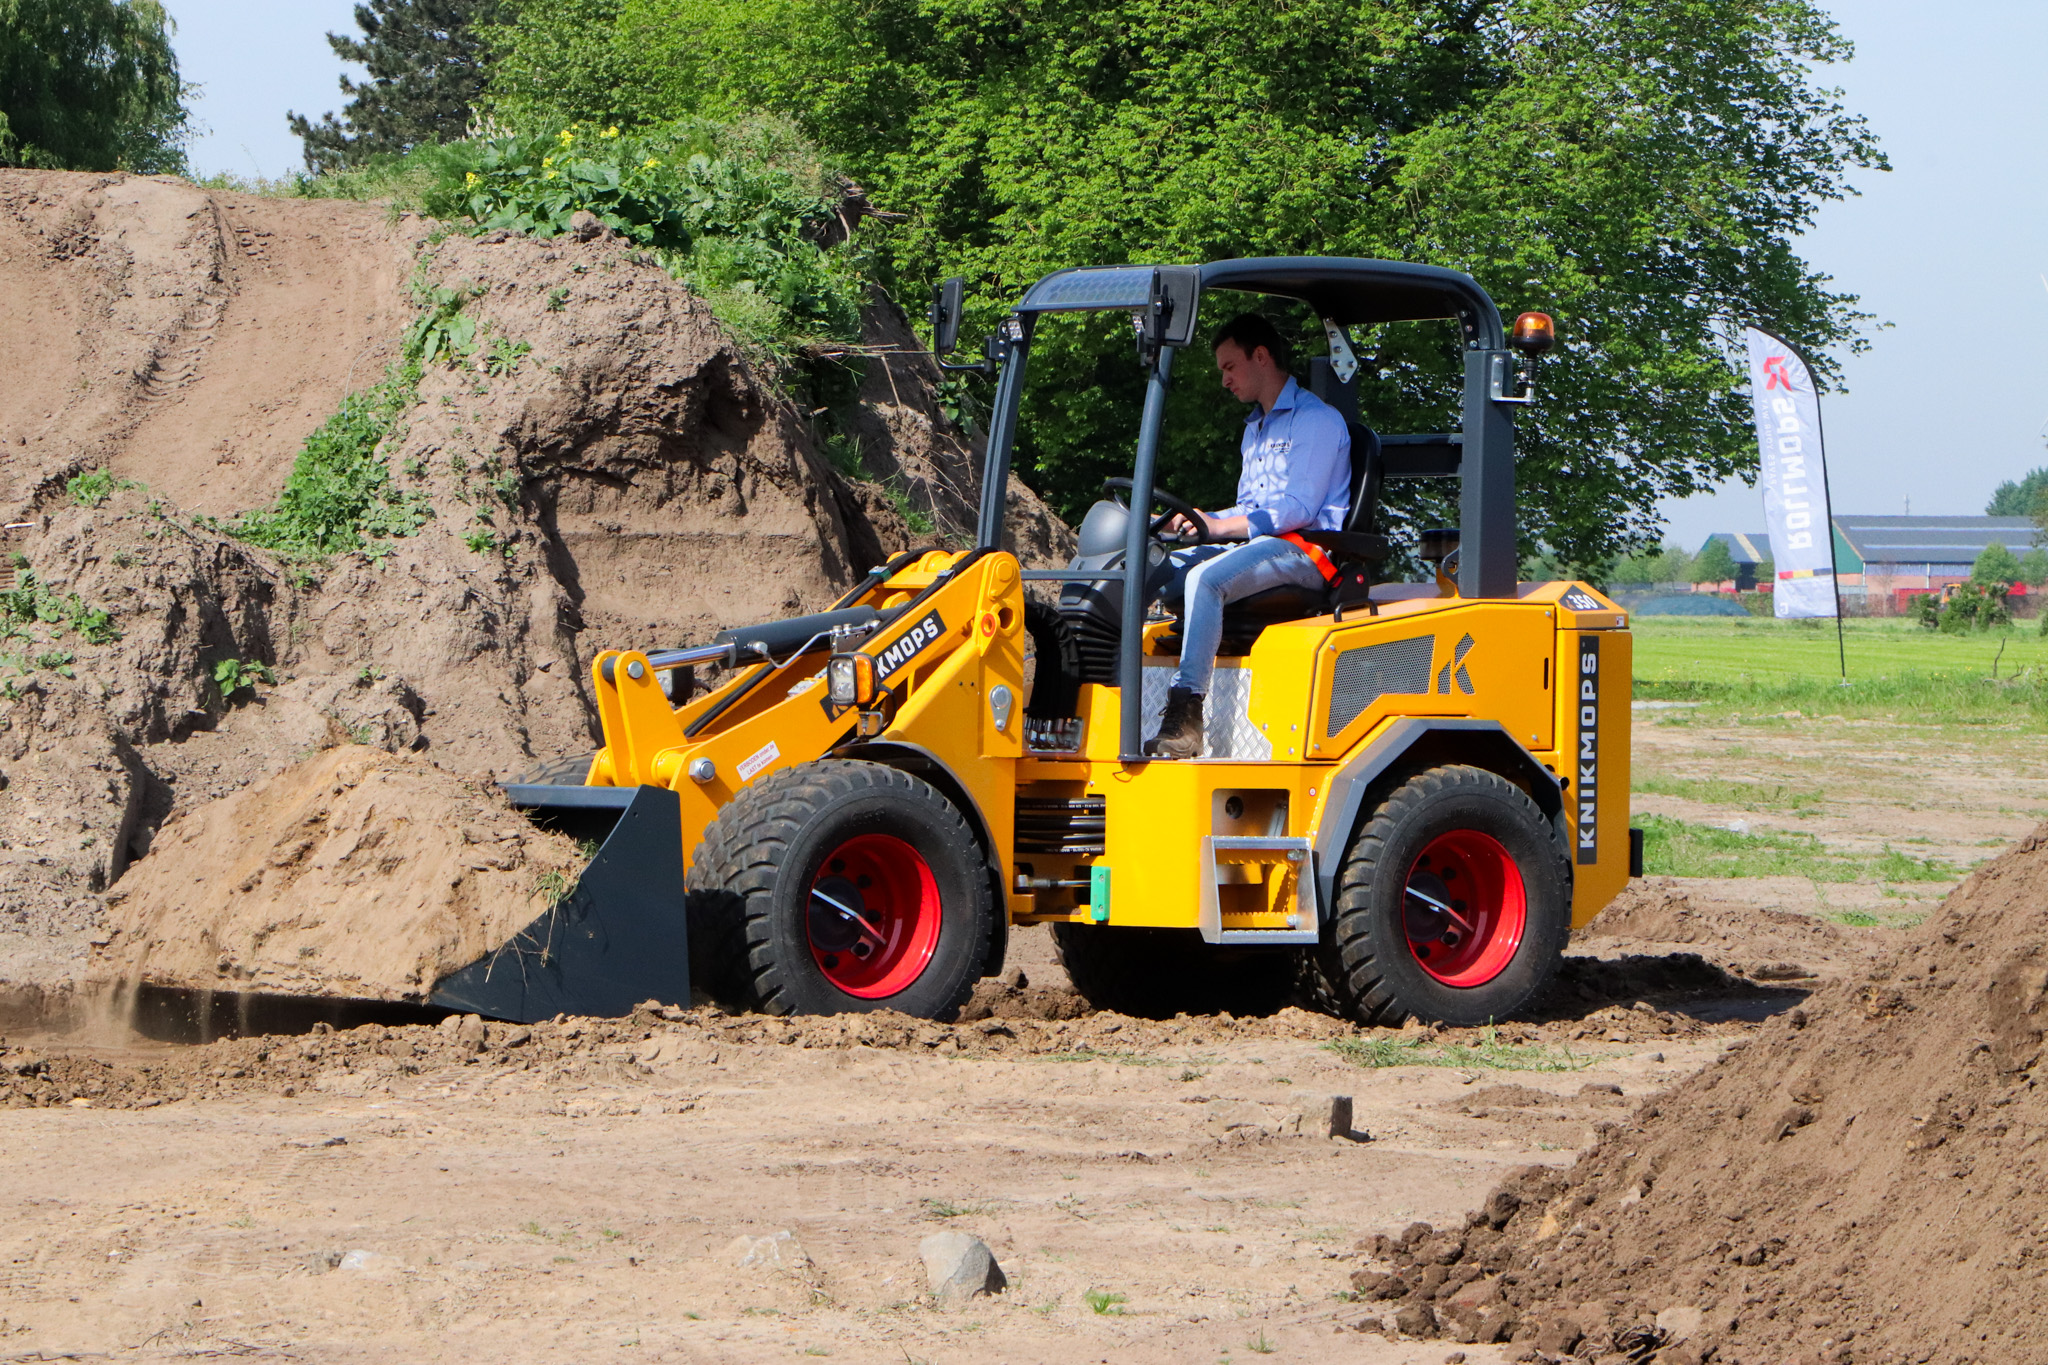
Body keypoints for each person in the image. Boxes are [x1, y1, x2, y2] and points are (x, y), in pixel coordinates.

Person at [1147, 313, 1352, 759]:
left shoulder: (1316, 420)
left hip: (1306, 552)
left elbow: (1298, 509)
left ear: (1260, 356)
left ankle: (1185, 714)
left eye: (1229, 367)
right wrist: (1203, 518)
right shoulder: (1255, 429)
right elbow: (1249, 508)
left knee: (1206, 578)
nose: (1224, 380)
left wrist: (1222, 529)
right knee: (1158, 567)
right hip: (1260, 546)